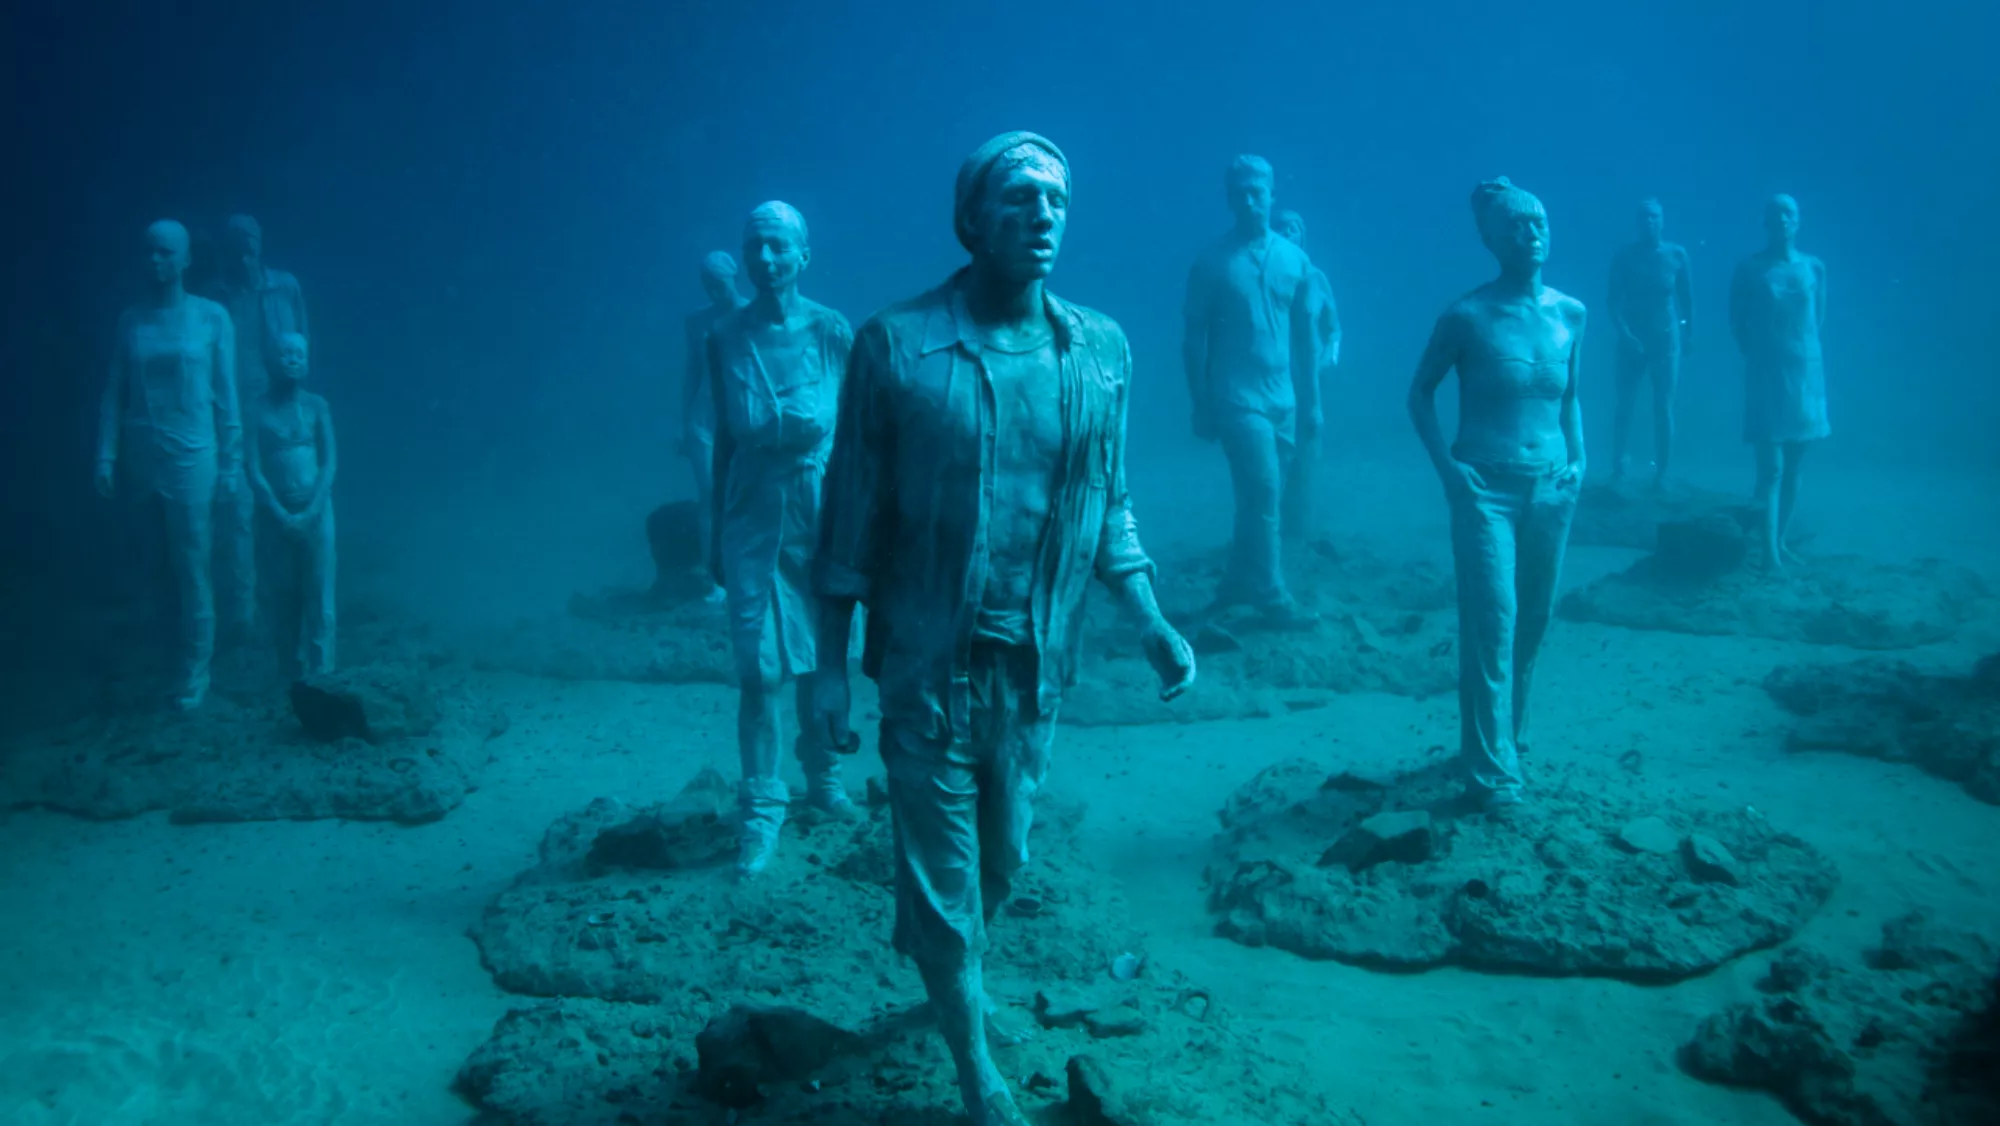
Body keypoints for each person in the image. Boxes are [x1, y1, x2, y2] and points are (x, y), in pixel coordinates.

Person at [810, 132, 1196, 1126]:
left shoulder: (1099, 352)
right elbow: (848, 519)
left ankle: (948, 974)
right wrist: (824, 669)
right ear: (971, 218)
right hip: (924, 662)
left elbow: (1108, 504)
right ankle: (974, 1064)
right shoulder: (894, 346)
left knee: (1006, 858)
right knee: (945, 877)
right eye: (1019, 198)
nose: (1043, 215)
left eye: (1058, 199)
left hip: (1033, 668)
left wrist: (1149, 618)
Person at [1407, 178, 1585, 814]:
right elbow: (1419, 393)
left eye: (1539, 222)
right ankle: (1492, 775)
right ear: (1490, 238)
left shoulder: (1571, 315)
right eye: (1516, 225)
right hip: (1486, 490)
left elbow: (1570, 398)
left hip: (1553, 488)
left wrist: (1580, 461)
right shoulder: (1468, 316)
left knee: (1534, 619)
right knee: (1494, 622)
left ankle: (1511, 730)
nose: (1531, 233)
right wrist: (1450, 474)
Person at [707, 202, 857, 875]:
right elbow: (721, 442)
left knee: (824, 659)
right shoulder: (725, 338)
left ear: (803, 255)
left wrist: (865, 527)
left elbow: (860, 440)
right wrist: (713, 529)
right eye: (753, 247)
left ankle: (822, 780)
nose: (764, 260)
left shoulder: (833, 333)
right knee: (758, 667)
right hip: (750, 512)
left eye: (776, 246)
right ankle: (762, 809)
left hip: (820, 509)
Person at [95, 220, 242, 710]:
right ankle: (167, 664)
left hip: (194, 453)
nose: (153, 261)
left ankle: (196, 672)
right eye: (148, 252)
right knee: (152, 565)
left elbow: (227, 395)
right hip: (143, 456)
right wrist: (106, 453)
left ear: (184, 260)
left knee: (192, 561)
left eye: (163, 252)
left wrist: (231, 462)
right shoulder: (131, 321)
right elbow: (115, 390)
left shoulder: (212, 317)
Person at [1184, 156, 1320, 620]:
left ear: (1272, 194)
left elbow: (1306, 339)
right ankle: (1272, 594)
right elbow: (1193, 337)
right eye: (1239, 192)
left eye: (1256, 191)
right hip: (1235, 397)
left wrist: (1312, 405)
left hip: (1282, 398)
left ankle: (1237, 581)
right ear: (1228, 199)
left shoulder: (1295, 260)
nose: (1248, 200)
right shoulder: (1211, 262)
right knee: (1262, 491)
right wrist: (1200, 403)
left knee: (1262, 496)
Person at [205, 214, 308, 637]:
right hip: (237, 412)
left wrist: (298, 396)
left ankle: (296, 597)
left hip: (282, 410)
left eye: (252, 241)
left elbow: (302, 339)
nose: (246, 250)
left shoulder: (285, 286)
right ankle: (246, 615)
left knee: (292, 498)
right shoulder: (216, 298)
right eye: (237, 243)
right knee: (241, 513)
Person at [1729, 193, 1828, 573]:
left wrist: (1797, 352)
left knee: (1797, 464)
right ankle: (1768, 553)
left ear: (1798, 220)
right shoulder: (1750, 268)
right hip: (1767, 373)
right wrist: (1762, 354)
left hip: (1805, 371)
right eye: (1775, 213)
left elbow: (1818, 319)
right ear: (1765, 222)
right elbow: (1737, 321)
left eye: (1789, 213)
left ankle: (1780, 541)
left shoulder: (1814, 268)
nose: (1783, 219)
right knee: (1769, 466)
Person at [247, 331, 337, 679]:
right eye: (286, 353)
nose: (294, 359)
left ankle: (324, 675)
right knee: (283, 598)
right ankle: (290, 675)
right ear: (271, 361)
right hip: (274, 517)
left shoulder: (317, 405)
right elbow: (253, 468)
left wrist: (313, 510)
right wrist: (279, 512)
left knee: (320, 596)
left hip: (317, 512)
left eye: (300, 353)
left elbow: (330, 462)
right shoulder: (255, 410)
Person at [1606, 198, 1693, 488]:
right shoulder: (1624, 257)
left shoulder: (1677, 255)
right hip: (1633, 340)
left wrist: (1688, 334)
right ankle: (1618, 466)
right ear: (1637, 222)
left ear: (1662, 220)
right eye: (1644, 217)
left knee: (1663, 405)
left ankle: (1663, 471)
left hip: (1666, 340)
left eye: (1654, 217)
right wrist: (1625, 335)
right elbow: (1613, 303)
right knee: (1625, 404)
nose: (1649, 222)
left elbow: (1686, 302)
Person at [680, 251, 747, 602]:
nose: (713, 292)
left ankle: (747, 571)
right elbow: (692, 372)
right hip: (704, 420)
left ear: (733, 277)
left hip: (741, 419)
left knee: (745, 495)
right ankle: (715, 579)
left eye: (718, 284)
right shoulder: (696, 322)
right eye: (708, 285)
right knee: (710, 498)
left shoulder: (753, 314)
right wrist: (684, 425)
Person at [1273, 207, 1341, 544]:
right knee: (1276, 453)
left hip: (1310, 381)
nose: (1287, 234)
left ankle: (1302, 529)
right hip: (1274, 380)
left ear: (1303, 234)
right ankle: (1274, 528)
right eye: (1281, 228)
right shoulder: (1269, 277)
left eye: (1293, 228)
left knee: (1308, 451)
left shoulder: (1316, 278)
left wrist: (1330, 359)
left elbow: (1334, 329)